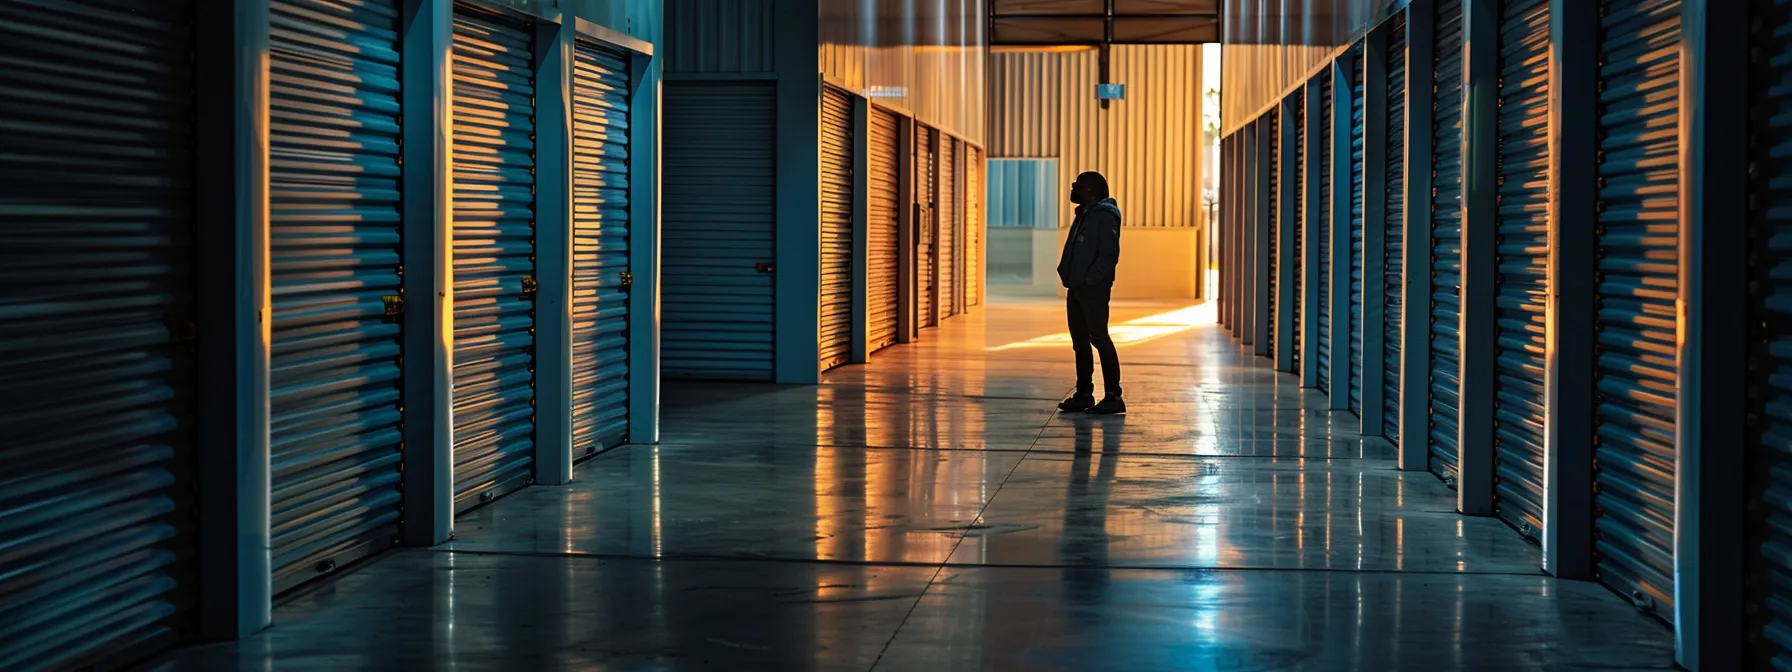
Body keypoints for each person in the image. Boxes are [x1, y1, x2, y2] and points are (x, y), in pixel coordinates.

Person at [1056, 171, 1125, 415]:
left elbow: (1108, 256)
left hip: (1093, 289)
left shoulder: (1104, 217)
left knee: (1099, 338)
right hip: (1076, 287)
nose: (1073, 189)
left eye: (1078, 186)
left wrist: (1089, 280)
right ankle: (1084, 393)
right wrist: (1067, 273)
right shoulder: (1083, 214)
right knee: (1080, 342)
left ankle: (1113, 396)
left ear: (1090, 191)